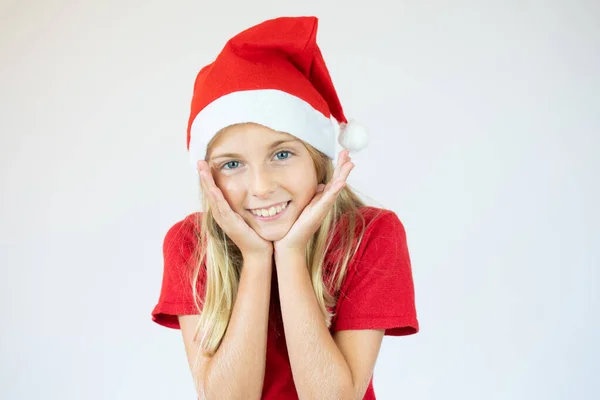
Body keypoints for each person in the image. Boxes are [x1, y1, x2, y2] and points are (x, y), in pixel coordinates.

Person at [151, 16, 419, 400]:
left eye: (281, 154)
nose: (261, 187)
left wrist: (290, 254)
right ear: (208, 176)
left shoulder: (370, 234)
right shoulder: (191, 243)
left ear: (318, 158)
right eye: (232, 164)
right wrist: (257, 259)